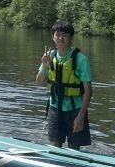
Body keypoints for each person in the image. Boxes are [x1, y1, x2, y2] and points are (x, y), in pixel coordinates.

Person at [35, 20, 93, 150]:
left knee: (74, 147)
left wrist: (81, 116)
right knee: (55, 145)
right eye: (57, 35)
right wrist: (44, 66)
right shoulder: (49, 57)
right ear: (53, 37)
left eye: (64, 35)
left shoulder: (80, 59)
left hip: (75, 109)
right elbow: (39, 81)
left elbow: (88, 90)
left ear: (71, 38)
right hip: (55, 107)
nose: (60, 38)